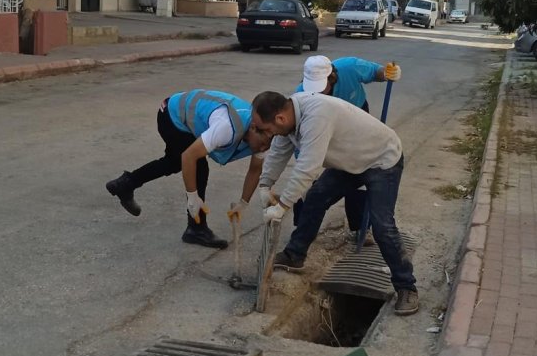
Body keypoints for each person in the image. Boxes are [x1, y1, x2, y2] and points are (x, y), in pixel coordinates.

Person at [250, 90, 419, 316]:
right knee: (317, 197)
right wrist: (265, 185)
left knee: (383, 226)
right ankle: (295, 255)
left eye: (265, 129)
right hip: (351, 161)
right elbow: (279, 153)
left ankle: (406, 287)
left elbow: (307, 168)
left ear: (280, 119)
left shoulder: (316, 117)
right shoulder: (287, 120)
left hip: (382, 159)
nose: (264, 135)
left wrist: (282, 207)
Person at [106, 89, 271, 248]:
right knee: (196, 165)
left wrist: (243, 203)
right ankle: (196, 228)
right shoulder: (226, 128)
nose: (264, 148)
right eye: (263, 143)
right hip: (171, 115)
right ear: (253, 128)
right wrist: (193, 198)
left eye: (268, 144)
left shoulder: (262, 133)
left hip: (182, 114)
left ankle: (126, 184)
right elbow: (189, 157)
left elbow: (255, 169)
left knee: (174, 162)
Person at [294, 55, 402, 240]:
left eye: (322, 86)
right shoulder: (301, 95)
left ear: (332, 77)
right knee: (312, 187)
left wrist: (387, 73)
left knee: (359, 173)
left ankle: (360, 226)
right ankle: (302, 230)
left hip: (359, 124)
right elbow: (300, 141)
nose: (319, 92)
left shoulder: (349, 67)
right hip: (324, 128)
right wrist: (305, 168)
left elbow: (376, 72)